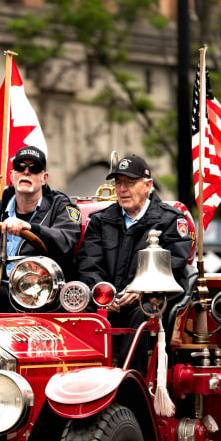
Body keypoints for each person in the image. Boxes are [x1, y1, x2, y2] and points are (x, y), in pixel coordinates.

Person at [78, 155, 192, 368]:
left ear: (148, 186)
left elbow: (174, 265)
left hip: (153, 299)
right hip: (108, 301)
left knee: (143, 312)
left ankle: (130, 385)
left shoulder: (171, 220)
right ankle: (81, 382)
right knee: (76, 311)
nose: (122, 189)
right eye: (118, 183)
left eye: (129, 183)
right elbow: (88, 264)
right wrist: (102, 294)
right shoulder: (101, 221)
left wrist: (143, 291)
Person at [0, 146, 81, 311]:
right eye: (20, 167)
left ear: (44, 178)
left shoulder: (62, 207)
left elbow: (65, 242)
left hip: (42, 300)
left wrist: (31, 228)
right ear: (12, 175)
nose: (26, 172)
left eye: (34, 168)